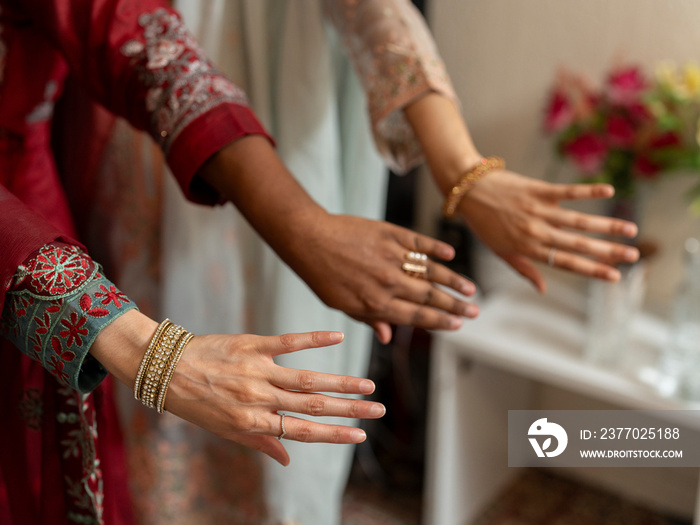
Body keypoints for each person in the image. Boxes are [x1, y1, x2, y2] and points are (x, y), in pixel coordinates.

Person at [0, 1, 639, 525]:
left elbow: (140, 41)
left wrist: (446, 174)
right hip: (69, 228)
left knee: (270, 405)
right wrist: (142, 348)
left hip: (243, 143)